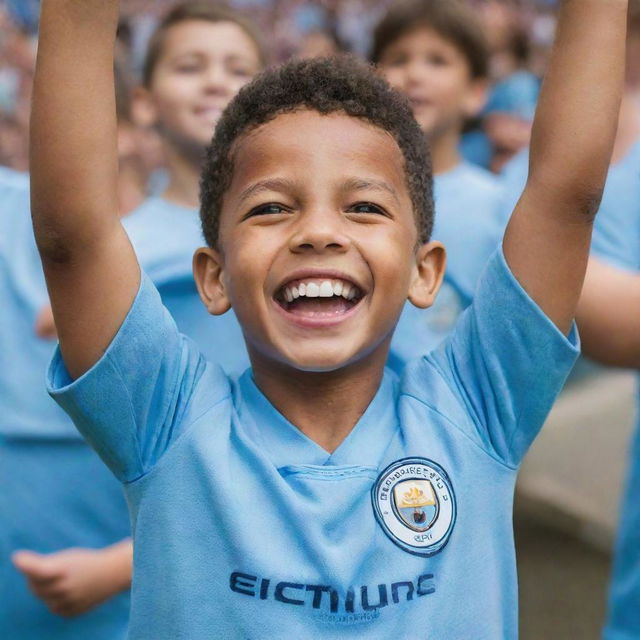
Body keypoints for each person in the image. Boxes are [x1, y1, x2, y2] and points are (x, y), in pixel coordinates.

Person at [31, 0, 625, 638]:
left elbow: (567, 197)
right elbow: (75, 237)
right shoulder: (163, 420)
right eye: (270, 209)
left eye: (364, 207)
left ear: (426, 271)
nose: (318, 232)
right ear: (214, 276)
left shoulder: (478, 407)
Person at [0, 57, 148, 640]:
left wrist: (119, 567)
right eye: (36, 115)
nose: (52, 136)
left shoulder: (200, 250)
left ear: (135, 121)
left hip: (135, 604)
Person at [122, 1, 265, 374]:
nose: (216, 83)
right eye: (189, 67)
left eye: (238, 70)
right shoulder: (123, 247)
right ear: (144, 102)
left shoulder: (311, 227)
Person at [371, 0, 506, 368]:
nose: (414, 74)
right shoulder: (345, 197)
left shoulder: (500, 205)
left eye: (437, 61)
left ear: (475, 93)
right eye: (398, 60)